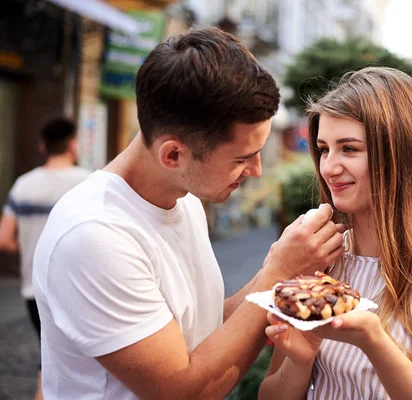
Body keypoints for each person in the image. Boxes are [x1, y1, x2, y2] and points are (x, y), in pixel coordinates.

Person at [32, 27, 345, 400]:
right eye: (242, 158)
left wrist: (284, 274)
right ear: (174, 155)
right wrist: (277, 274)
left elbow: (206, 332)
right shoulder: (95, 235)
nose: (256, 171)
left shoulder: (185, 199)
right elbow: (183, 391)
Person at [259, 67, 412, 399]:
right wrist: (299, 362)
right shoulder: (319, 259)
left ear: (396, 155)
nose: (329, 166)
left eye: (349, 149)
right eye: (324, 148)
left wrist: (373, 341)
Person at [0, 117, 90, 400]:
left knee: (48, 351)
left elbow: (3, 238)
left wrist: (32, 250)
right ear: (73, 145)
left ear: (43, 146)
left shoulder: (23, 185)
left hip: (33, 286)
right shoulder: (89, 182)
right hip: (78, 285)